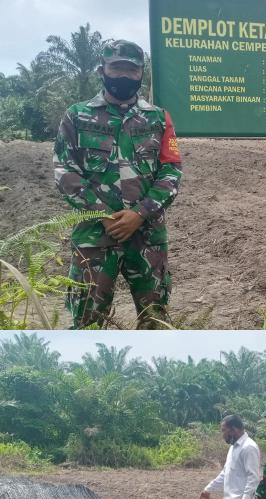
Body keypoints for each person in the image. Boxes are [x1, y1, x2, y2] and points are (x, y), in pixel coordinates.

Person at [53, 39, 182, 329]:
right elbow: (64, 171)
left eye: (131, 70)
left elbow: (171, 171)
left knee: (155, 322)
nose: (123, 76)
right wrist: (102, 214)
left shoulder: (158, 118)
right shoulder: (77, 116)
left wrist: (139, 214)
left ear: (140, 74)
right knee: (88, 323)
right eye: (116, 68)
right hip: (95, 237)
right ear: (103, 70)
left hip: (147, 237)